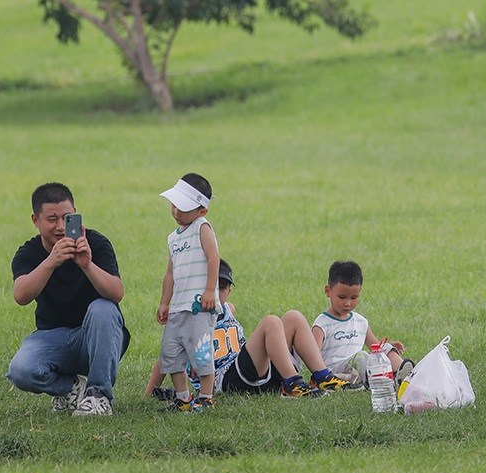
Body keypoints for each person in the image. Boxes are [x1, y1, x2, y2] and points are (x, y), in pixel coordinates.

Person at [146, 258, 353, 400]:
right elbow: (168, 355)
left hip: (254, 374)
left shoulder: (228, 309)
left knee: (293, 317)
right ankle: (292, 384)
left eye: (223, 287)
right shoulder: (190, 318)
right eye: (213, 286)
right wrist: (149, 393)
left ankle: (322, 377)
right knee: (271, 322)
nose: (218, 292)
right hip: (225, 380)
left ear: (229, 290)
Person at [6, 182, 129, 417]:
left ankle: (98, 397)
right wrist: (51, 261)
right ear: (36, 220)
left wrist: (87, 265)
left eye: (67, 218)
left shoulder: (96, 243)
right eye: (52, 219)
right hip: (53, 337)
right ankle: (72, 388)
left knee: (103, 308)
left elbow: (116, 293)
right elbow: (21, 296)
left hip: (97, 337)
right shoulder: (29, 252)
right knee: (20, 370)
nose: (61, 227)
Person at [155, 173, 221, 412]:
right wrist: (165, 303)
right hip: (177, 307)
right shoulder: (173, 238)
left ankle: (205, 397)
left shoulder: (202, 228)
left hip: (199, 307)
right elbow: (170, 273)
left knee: (201, 353)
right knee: (171, 355)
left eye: (183, 208)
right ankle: (183, 398)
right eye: (174, 205)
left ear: (202, 210)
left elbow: (214, 258)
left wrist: (209, 290)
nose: (176, 212)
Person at [311, 260, 407, 386]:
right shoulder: (322, 325)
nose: (347, 303)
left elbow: (375, 347)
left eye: (353, 298)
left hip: (359, 369)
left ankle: (404, 374)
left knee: (384, 349)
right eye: (342, 297)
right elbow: (312, 355)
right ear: (328, 291)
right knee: (361, 356)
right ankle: (381, 378)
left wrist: (389, 347)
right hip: (335, 375)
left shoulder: (361, 322)